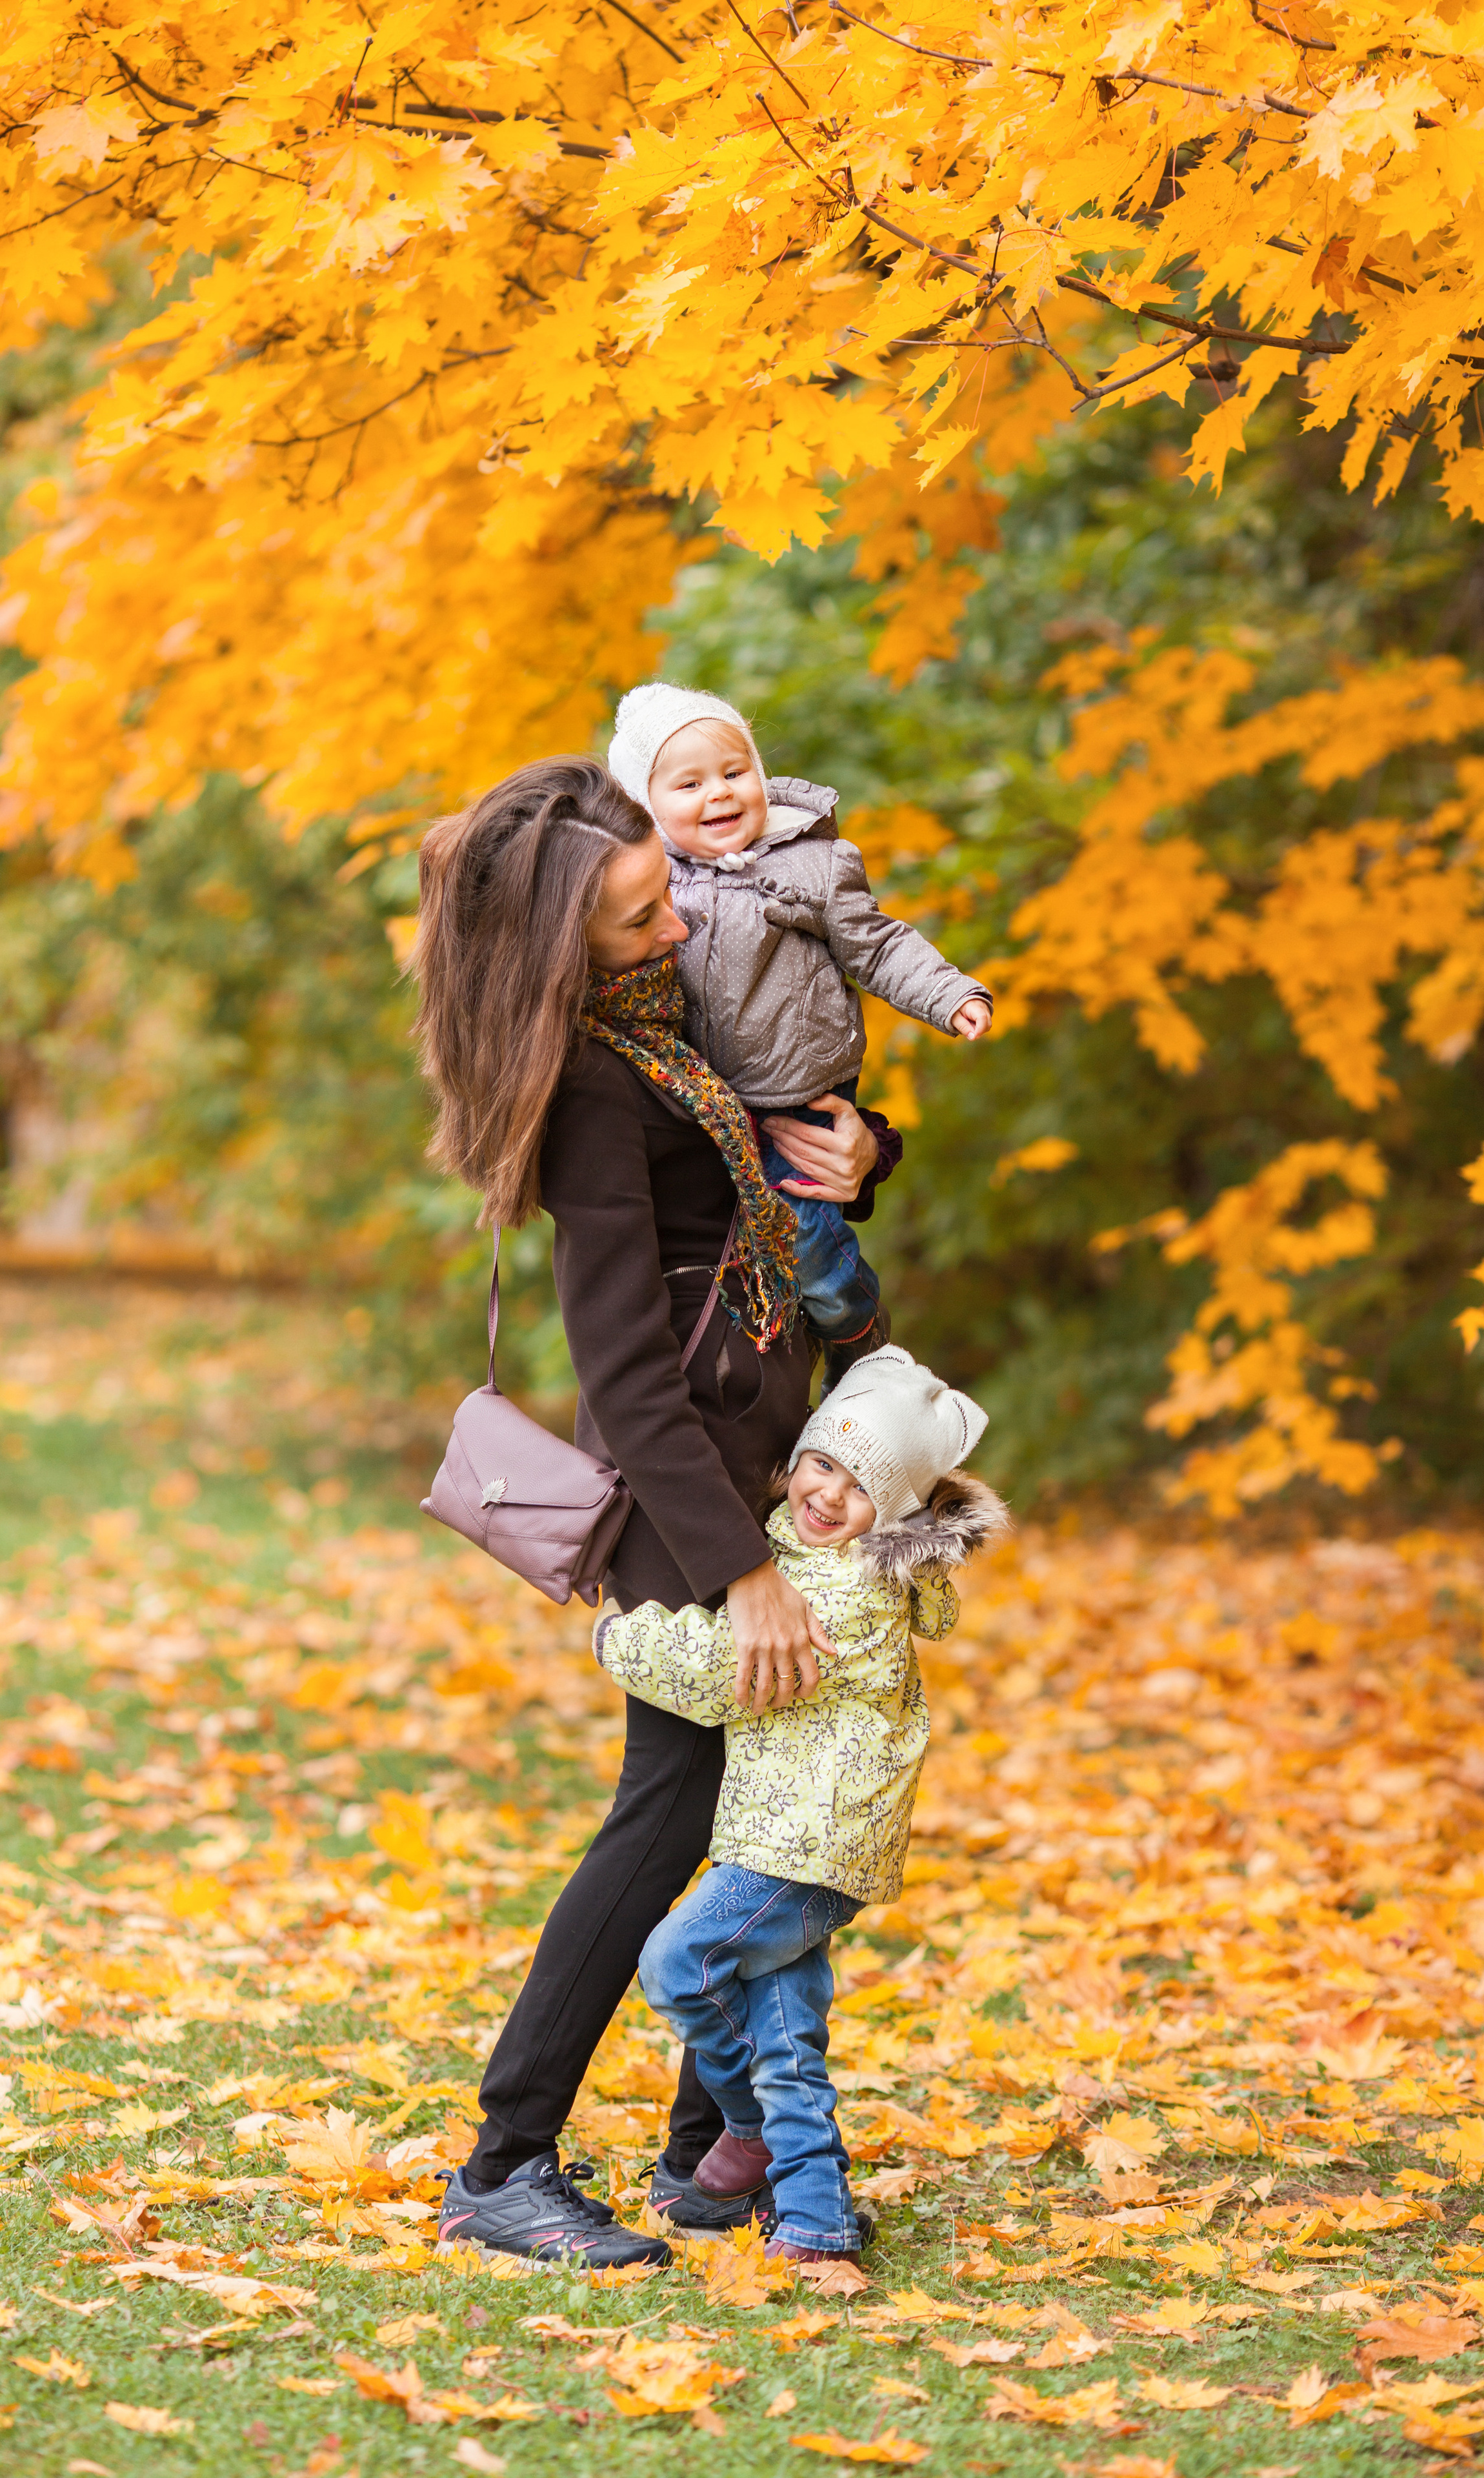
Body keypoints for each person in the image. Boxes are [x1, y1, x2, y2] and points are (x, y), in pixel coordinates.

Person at [409, 755, 890, 2268]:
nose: (669, 933)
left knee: (761, 1814)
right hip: (688, 1510)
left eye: (660, 900)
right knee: (671, 1816)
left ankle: (707, 2151)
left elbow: (776, 1149)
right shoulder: (592, 1090)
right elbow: (620, 1364)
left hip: (768, 1468)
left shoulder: (676, 1028)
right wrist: (741, 1572)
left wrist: (864, 1159)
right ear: (568, 953)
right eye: (632, 926)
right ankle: (503, 2160)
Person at [594, 1347, 1008, 2259]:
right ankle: (817, 2222)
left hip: (808, 1846)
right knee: (785, 2033)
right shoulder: (794, 1556)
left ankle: (746, 2130)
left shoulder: (842, 1591)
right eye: (822, 1462)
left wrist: (616, 1636)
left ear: (891, 1514)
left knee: (677, 1963)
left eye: (862, 1487)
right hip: (794, 1838)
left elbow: (717, 1672)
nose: (829, 1494)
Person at [608, 683, 994, 1387]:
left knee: (807, 1240)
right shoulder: (651, 886)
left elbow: (875, 947)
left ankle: (857, 1335)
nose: (719, 794)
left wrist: (948, 994)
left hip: (801, 1092)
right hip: (712, 1099)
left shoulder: (811, 866)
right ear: (646, 806)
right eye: (689, 783)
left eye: (734, 772)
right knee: (761, 1249)